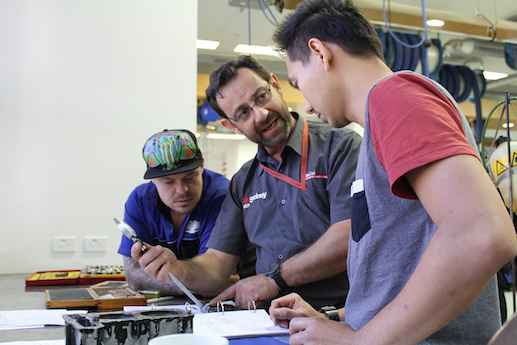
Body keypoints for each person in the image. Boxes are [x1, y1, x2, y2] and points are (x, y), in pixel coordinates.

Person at [268, 0, 517, 344]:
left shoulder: (394, 97)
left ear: (320, 53)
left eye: (298, 83)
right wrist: (339, 318)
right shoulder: (379, 119)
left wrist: (357, 341)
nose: (307, 105)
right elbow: (405, 259)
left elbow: (481, 235)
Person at [131, 55, 362, 310]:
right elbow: (217, 262)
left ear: (275, 84)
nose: (261, 114)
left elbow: (350, 237)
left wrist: (273, 279)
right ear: (231, 125)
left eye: (261, 96)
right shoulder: (243, 182)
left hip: (338, 314)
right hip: (267, 321)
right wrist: (178, 269)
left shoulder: (340, 147)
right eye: (243, 113)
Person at [118, 129, 251, 297]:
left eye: (189, 177)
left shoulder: (224, 196)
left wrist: (164, 280)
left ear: (202, 166)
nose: (182, 190)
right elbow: (133, 276)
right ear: (153, 180)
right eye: (168, 182)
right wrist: (192, 288)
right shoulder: (139, 200)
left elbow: (217, 272)